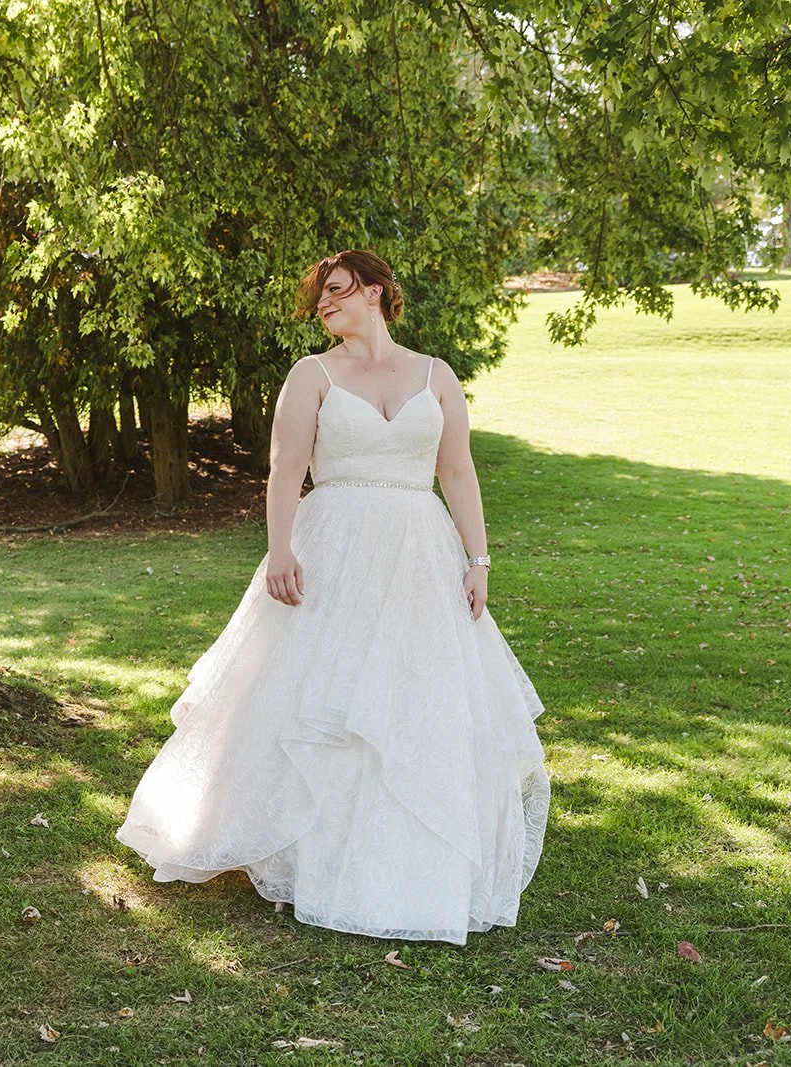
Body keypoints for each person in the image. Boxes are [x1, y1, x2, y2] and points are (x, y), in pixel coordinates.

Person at [116, 250, 549, 943]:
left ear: (376, 291)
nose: (325, 304)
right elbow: (286, 466)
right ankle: (307, 851)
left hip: (418, 549)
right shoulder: (310, 375)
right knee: (319, 693)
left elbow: (459, 473)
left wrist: (479, 558)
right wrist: (280, 547)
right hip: (333, 543)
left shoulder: (436, 376)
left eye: (338, 291)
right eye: (319, 297)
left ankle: (409, 861)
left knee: (409, 693)